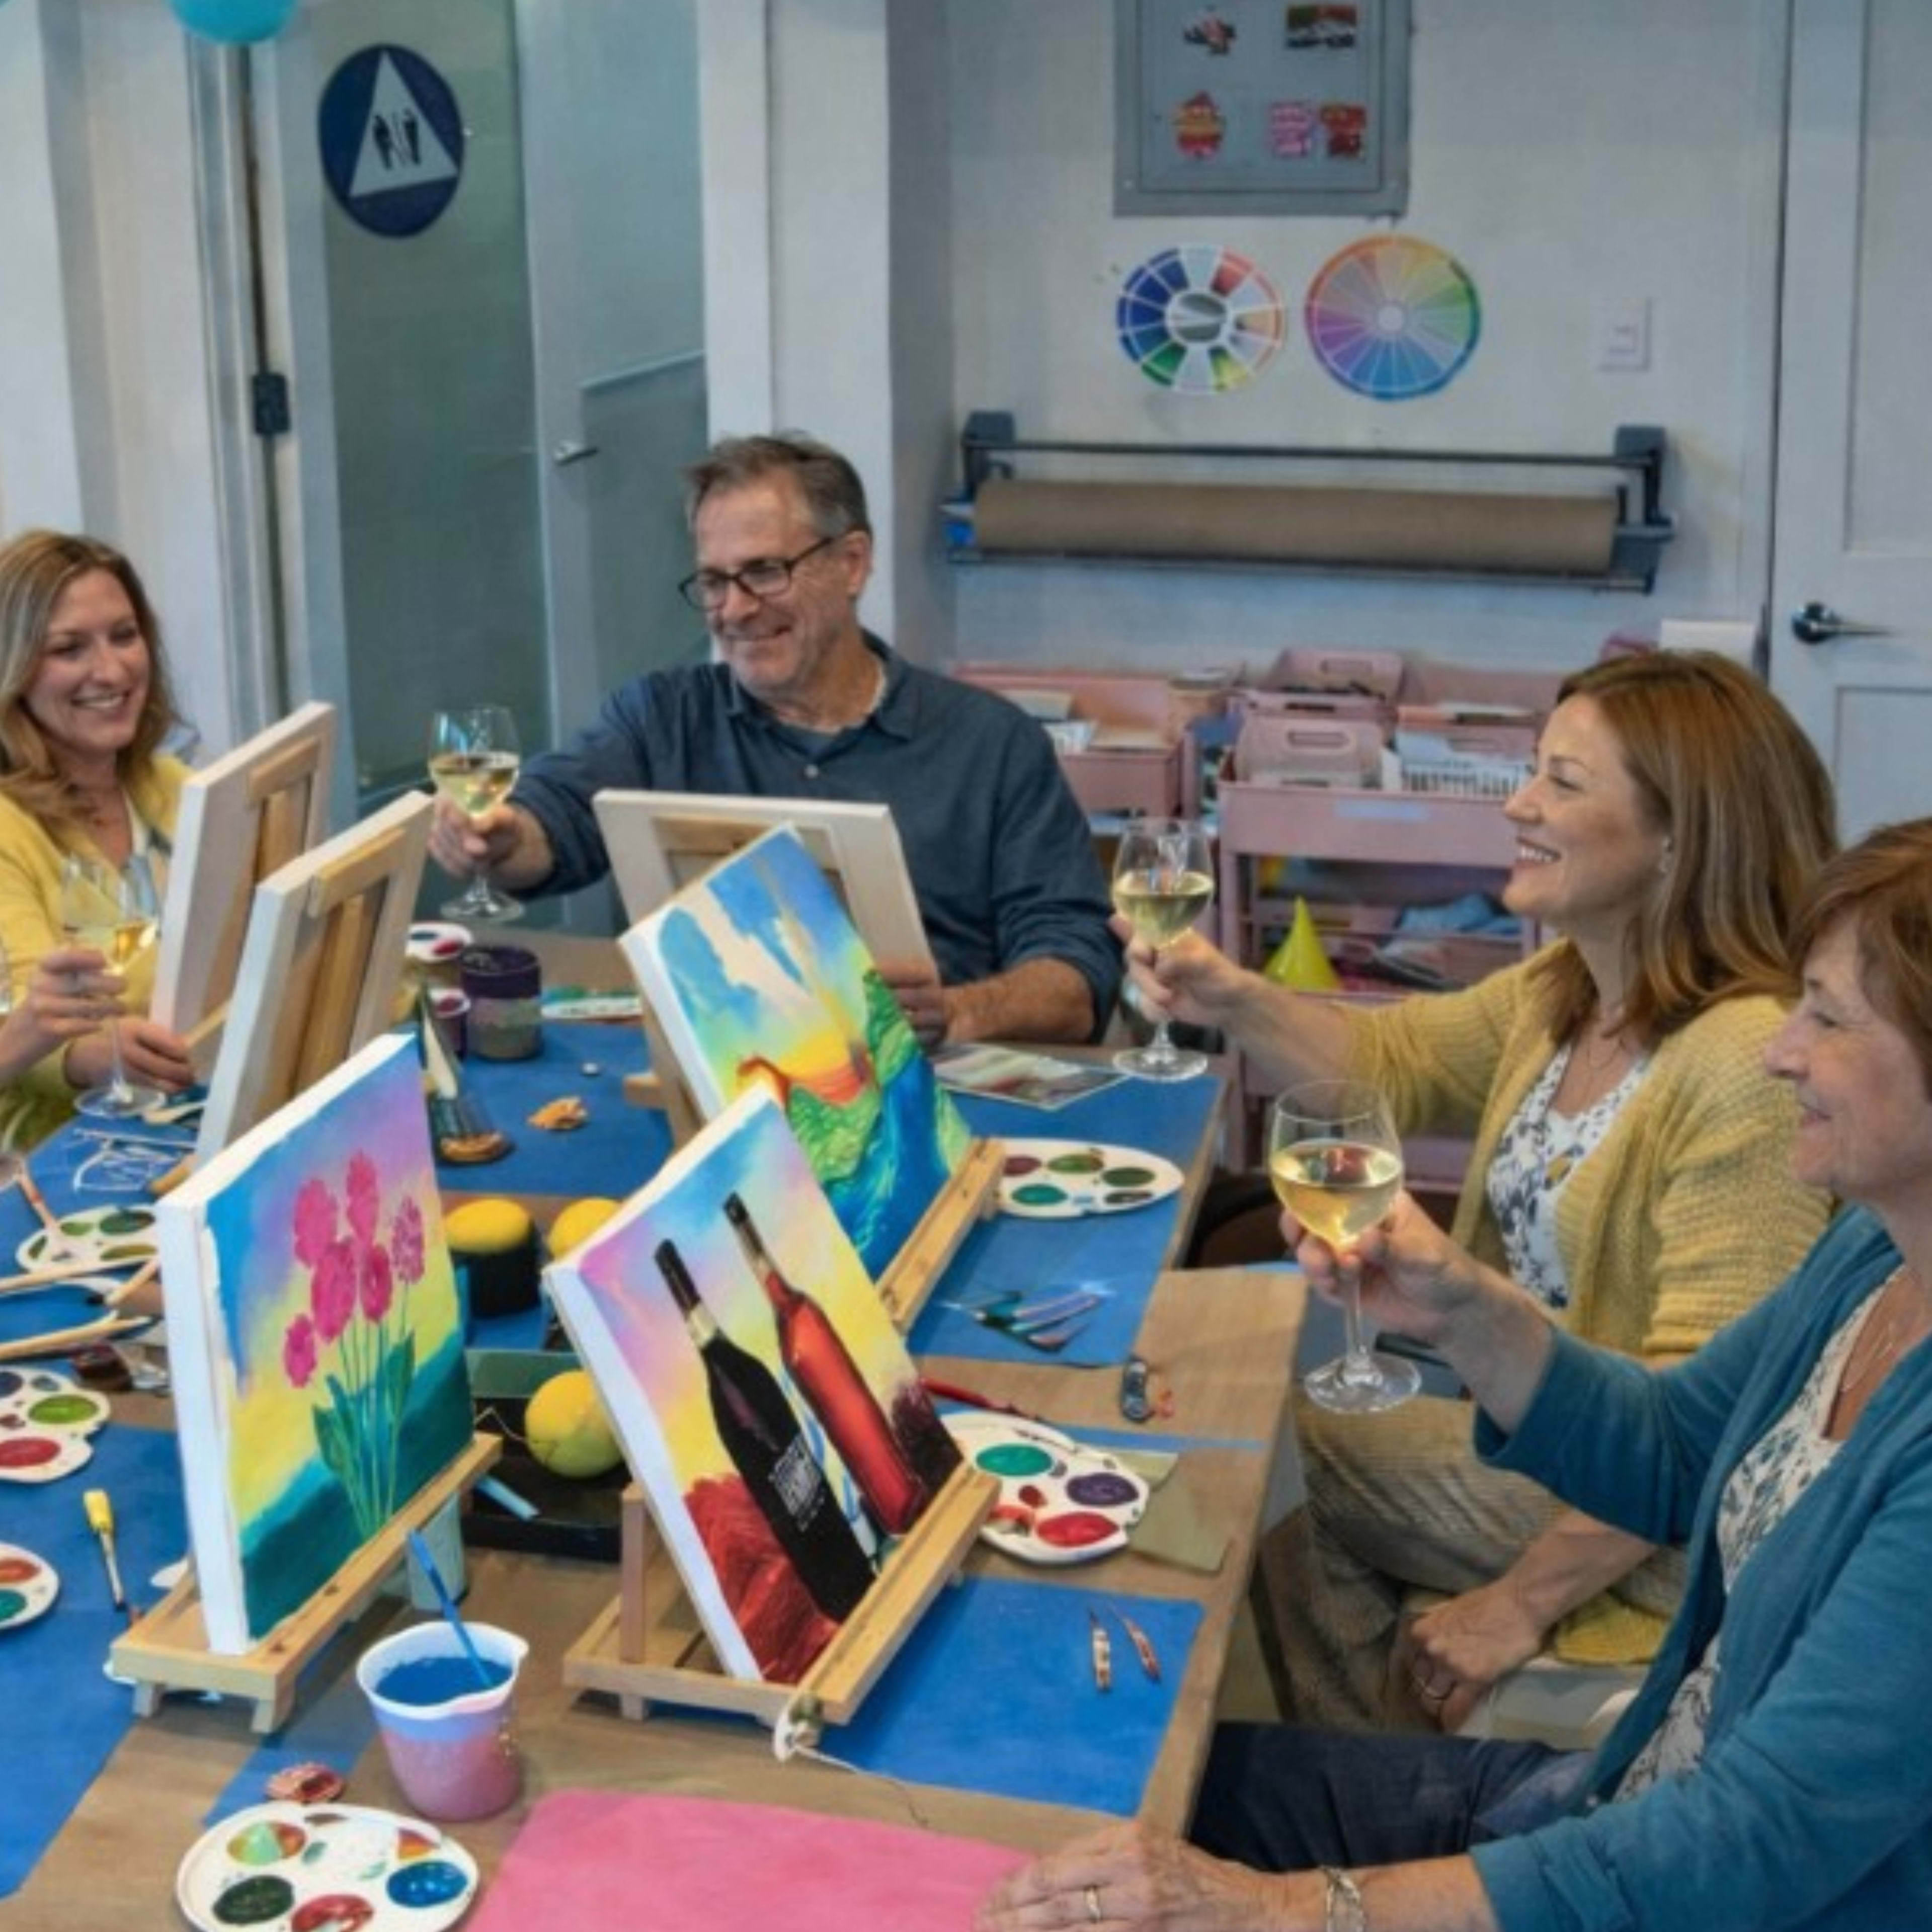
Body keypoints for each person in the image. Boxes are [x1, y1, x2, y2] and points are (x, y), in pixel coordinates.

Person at [979, 817, 1932, 1931]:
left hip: (1671, 1879)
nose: (1784, 1049)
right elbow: (1676, 1451)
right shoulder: (1879, 1249)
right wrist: (1467, 1311)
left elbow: (1745, 1845)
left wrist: (1296, 1911)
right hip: (1613, 1803)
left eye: (1827, 1017)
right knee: (1135, 1795)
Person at [1125, 650, 1837, 1729]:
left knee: (1274, 1450)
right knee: (1274, 1426)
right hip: (1544, 1452)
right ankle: (1371, 1750)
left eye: (1563, 781)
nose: (1519, 803)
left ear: (1678, 839)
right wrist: (1228, 994)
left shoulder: (1740, 1065)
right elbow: (1389, 1065)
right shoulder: (1574, 985)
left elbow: (1705, 1437)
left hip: (1642, 1532)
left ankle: (1358, 1770)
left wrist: (1517, 1602)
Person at [427, 432, 1120, 1049]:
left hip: (934, 1093)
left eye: (764, 572)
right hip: (722, 1100)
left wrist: (957, 1011)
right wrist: (503, 837)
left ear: (851, 564)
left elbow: (1078, 972)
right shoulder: (660, 717)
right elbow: (557, 819)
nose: (734, 610)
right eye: (714, 582)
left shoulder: (993, 745)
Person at [0, 530, 195, 1148]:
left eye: (124, 635)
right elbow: (28, 1021)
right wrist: (98, 1055)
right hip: (56, 1164)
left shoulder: (168, 782)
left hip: (181, 1116)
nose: (110, 671)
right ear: (14, 670)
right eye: (69, 649)